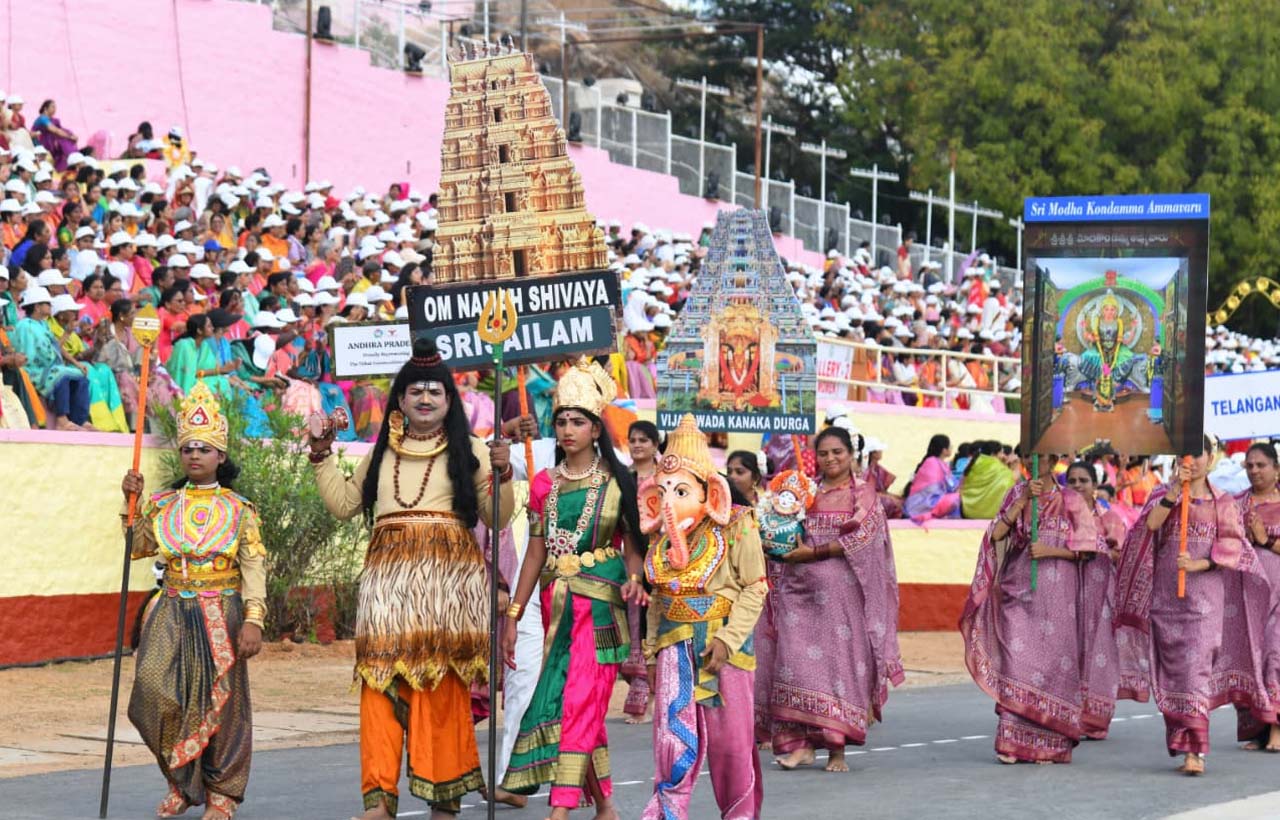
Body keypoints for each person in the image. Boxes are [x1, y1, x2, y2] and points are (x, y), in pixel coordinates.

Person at [310, 338, 513, 820]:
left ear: (449, 401)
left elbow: (499, 518)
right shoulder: (381, 451)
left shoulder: (474, 451)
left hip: (448, 584)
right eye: (415, 391)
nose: (425, 399)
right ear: (399, 400)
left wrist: (504, 475)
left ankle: (445, 798)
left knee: (441, 688)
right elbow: (343, 506)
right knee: (378, 685)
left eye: (435, 392)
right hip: (386, 585)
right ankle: (379, 799)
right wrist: (321, 456)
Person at [499, 357, 647, 820]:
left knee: (580, 700)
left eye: (577, 421)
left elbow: (633, 547)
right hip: (554, 610)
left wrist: (637, 578)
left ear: (595, 429)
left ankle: (560, 809)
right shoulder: (544, 484)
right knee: (574, 704)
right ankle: (605, 805)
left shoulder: (619, 484)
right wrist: (513, 614)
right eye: (561, 420)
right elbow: (536, 552)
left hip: (602, 610)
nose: (567, 429)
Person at [119, 382, 266, 819]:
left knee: (225, 705)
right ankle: (182, 781)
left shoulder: (241, 509)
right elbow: (138, 546)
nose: (195, 455)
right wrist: (131, 502)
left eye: (204, 448)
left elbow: (255, 566)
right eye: (188, 449)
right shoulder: (164, 504)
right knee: (152, 694)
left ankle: (222, 793)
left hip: (222, 608)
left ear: (220, 455)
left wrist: (254, 618)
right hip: (171, 608)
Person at [1114, 439, 1275, 775]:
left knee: (1195, 668)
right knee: (1171, 671)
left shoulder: (1223, 501)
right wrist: (1174, 490)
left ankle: (1196, 750)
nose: (1192, 461)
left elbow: (1231, 547)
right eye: (1184, 456)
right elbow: (1151, 527)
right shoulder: (1164, 495)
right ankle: (1180, 737)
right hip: (1166, 598)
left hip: (1205, 602)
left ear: (1211, 458)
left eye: (1198, 455)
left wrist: (1200, 565)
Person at [638, 414, 768, 820]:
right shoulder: (661, 540)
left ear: (710, 493)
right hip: (675, 648)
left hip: (724, 647)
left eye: (681, 490)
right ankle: (667, 814)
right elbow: (658, 599)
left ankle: (739, 815)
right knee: (672, 746)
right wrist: (651, 652)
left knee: (731, 746)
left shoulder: (737, 525)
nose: (672, 502)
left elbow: (756, 585)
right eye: (664, 492)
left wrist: (728, 641)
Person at [766, 426, 903, 772]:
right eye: (824, 453)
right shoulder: (802, 491)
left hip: (842, 597)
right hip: (798, 591)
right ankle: (800, 744)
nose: (830, 459)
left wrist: (812, 553)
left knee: (837, 668)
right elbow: (779, 523)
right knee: (793, 663)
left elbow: (861, 539)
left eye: (837, 452)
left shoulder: (863, 494)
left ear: (851, 454)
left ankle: (836, 749)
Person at [962, 460, 1115, 764]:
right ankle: (1011, 741)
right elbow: (996, 536)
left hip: (1059, 601)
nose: (1039, 460)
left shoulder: (1070, 499)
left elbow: (1088, 550)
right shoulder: (1016, 494)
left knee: (1051, 668)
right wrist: (1022, 501)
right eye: (1033, 454)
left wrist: (1051, 551)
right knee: (1017, 663)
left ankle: (1047, 743)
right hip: (1018, 592)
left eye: (1045, 455)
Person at [1236, 443, 1280, 751]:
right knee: (1252, 657)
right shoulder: (1237, 505)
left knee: (1275, 655)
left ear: (1276, 468)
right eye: (1249, 465)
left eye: (1261, 465)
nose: (1254, 471)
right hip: (1247, 595)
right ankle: (1260, 729)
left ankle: (1277, 729)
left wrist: (1264, 540)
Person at [622, 419, 663, 724]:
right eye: (633, 440)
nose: (637, 445)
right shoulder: (623, 479)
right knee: (635, 627)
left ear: (655, 444)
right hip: (632, 558)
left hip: (664, 559)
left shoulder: (667, 478)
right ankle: (642, 695)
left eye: (643, 440)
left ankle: (653, 697)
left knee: (657, 627)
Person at [11, 286, 92, 429]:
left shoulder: (43, 324)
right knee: (61, 374)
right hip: (32, 368)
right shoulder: (25, 325)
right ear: (37, 306)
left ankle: (80, 419)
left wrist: (77, 364)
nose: (51, 306)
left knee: (80, 375)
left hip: (48, 367)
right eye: (47, 303)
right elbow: (29, 354)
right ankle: (62, 419)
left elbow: (55, 347)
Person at [904, 434, 960, 524]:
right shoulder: (933, 463)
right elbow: (950, 485)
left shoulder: (938, 462)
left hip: (930, 500)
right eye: (950, 446)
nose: (951, 449)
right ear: (944, 450)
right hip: (925, 504)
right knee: (957, 498)